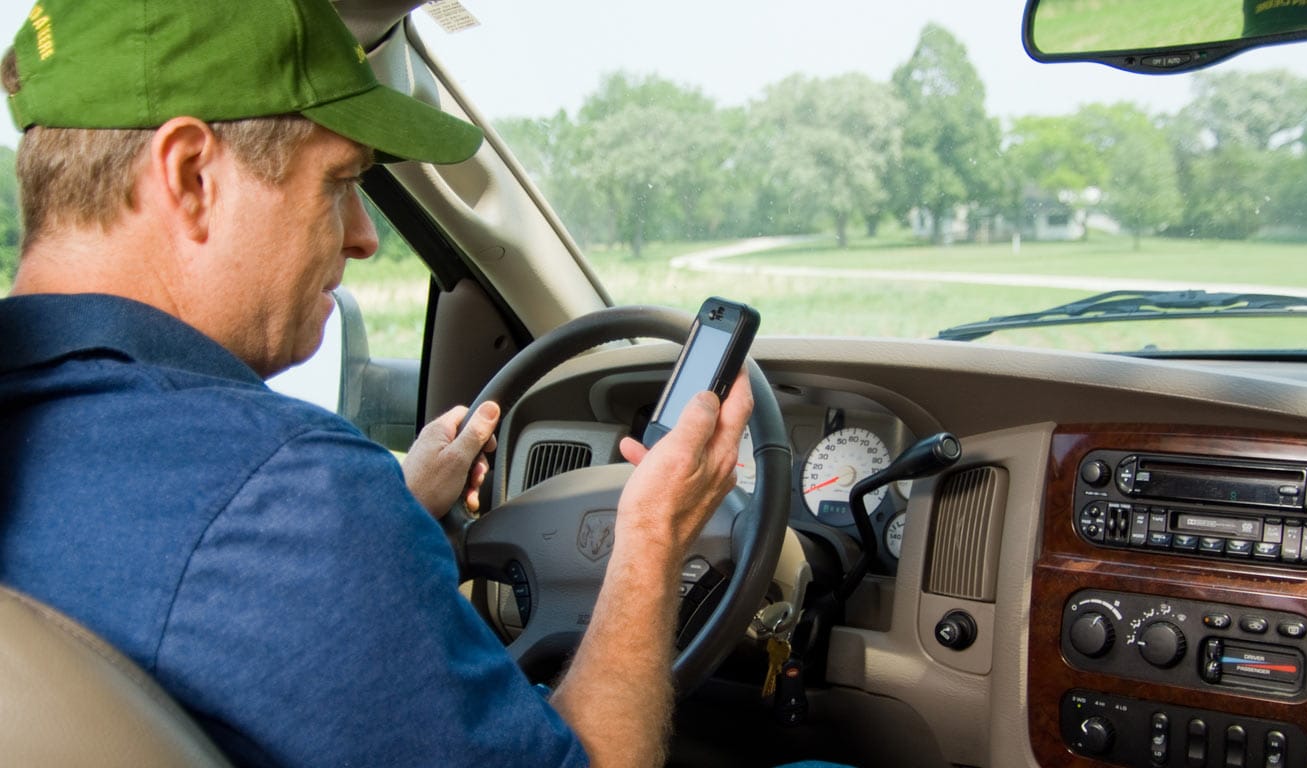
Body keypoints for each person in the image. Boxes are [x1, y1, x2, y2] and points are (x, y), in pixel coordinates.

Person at [0, 1, 752, 767]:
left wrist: (393, 509)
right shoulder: (288, 495)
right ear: (193, 175)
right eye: (336, 184)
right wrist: (655, 533)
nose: (363, 235)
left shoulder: (39, 436)